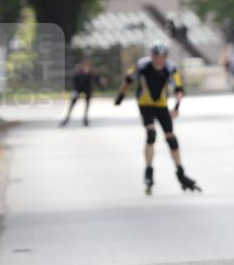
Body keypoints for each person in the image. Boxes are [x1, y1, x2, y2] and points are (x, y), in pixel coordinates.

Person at [113, 40, 201, 194]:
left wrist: (176, 107)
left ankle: (181, 173)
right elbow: (127, 79)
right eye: (156, 56)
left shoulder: (170, 67)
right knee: (151, 134)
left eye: (161, 57)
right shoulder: (142, 65)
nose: (158, 60)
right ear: (151, 55)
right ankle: (149, 171)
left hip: (161, 105)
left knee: (171, 138)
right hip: (145, 104)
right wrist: (120, 96)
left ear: (165, 56)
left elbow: (179, 89)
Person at [60, 57, 100, 127]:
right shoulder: (79, 72)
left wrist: (101, 87)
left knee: (87, 103)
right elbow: (74, 81)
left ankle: (85, 118)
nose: (86, 67)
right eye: (85, 65)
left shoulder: (91, 72)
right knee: (72, 103)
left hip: (87, 90)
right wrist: (74, 91)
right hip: (78, 89)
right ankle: (67, 118)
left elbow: (97, 80)